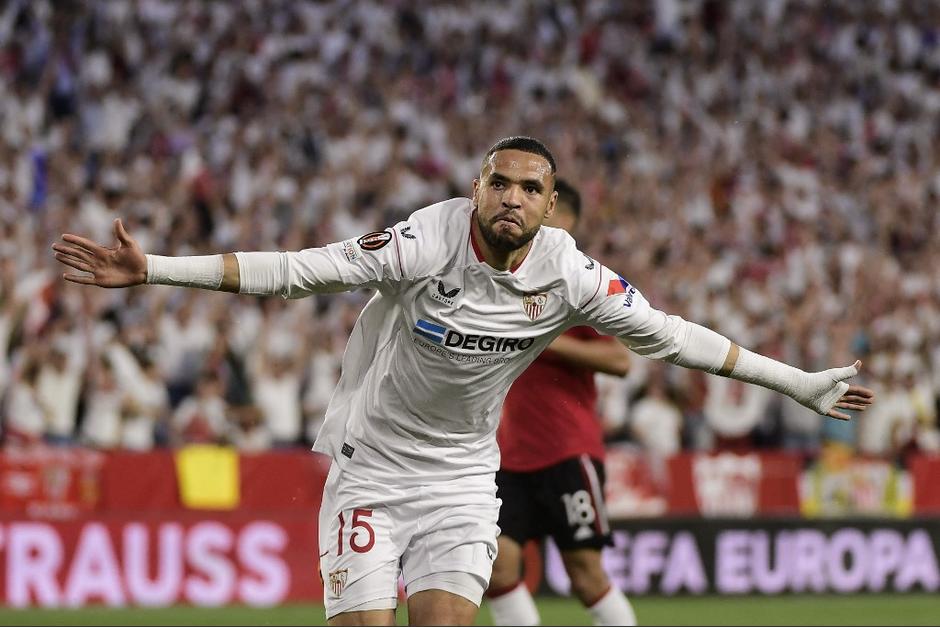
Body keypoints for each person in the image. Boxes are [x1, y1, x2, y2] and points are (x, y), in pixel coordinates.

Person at [52, 136, 874, 626]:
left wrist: (798, 382)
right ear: (476, 187)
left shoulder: (571, 274)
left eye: (531, 188)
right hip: (371, 471)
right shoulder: (424, 240)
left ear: (550, 207)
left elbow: (676, 339)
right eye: (498, 181)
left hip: (461, 480)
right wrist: (153, 268)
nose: (512, 197)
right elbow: (297, 271)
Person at [485, 179, 637, 626]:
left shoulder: (577, 279)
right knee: (496, 568)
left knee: (585, 574)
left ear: (562, 217)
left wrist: (543, 340)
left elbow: (620, 360)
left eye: (539, 204)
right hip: (511, 456)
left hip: (568, 451)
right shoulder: (507, 276)